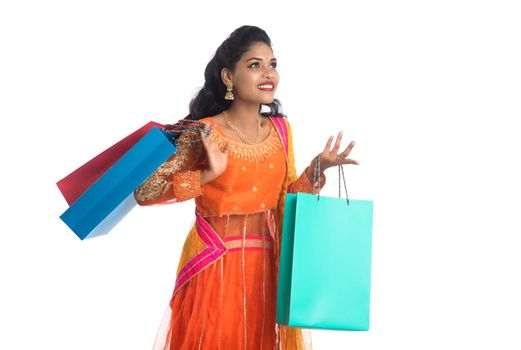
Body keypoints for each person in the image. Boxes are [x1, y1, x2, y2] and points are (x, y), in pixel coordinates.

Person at [134, 25, 359, 350]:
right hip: (214, 268)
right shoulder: (204, 132)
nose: (268, 74)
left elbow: (285, 203)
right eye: (255, 65)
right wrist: (208, 176)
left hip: (266, 272)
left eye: (272, 64)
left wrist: (316, 169)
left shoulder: (281, 130)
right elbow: (146, 192)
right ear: (228, 76)